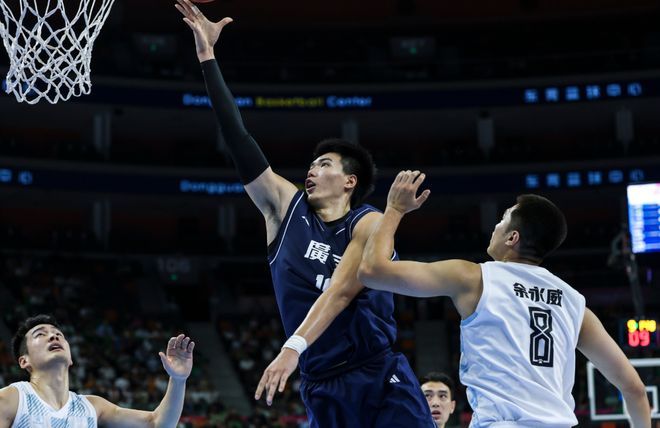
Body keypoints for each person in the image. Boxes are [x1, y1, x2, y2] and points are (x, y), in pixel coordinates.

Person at [174, 2, 435, 426]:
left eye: (325, 164)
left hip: (377, 370)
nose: (312, 170)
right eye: (311, 165)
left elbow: (342, 290)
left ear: (349, 181)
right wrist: (208, 57)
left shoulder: (368, 221)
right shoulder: (285, 209)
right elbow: (238, 137)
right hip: (321, 379)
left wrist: (291, 347)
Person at [359, 170, 651, 428]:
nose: (495, 227)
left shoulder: (473, 277)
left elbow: (372, 272)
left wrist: (394, 209)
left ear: (512, 238)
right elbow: (635, 389)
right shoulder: (575, 304)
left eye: (502, 220)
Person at [0, 314, 195, 428]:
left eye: (58, 334)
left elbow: (157, 423)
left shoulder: (92, 407)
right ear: (24, 361)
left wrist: (178, 380)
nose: (53, 337)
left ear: (70, 358)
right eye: (40, 334)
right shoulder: (11, 400)